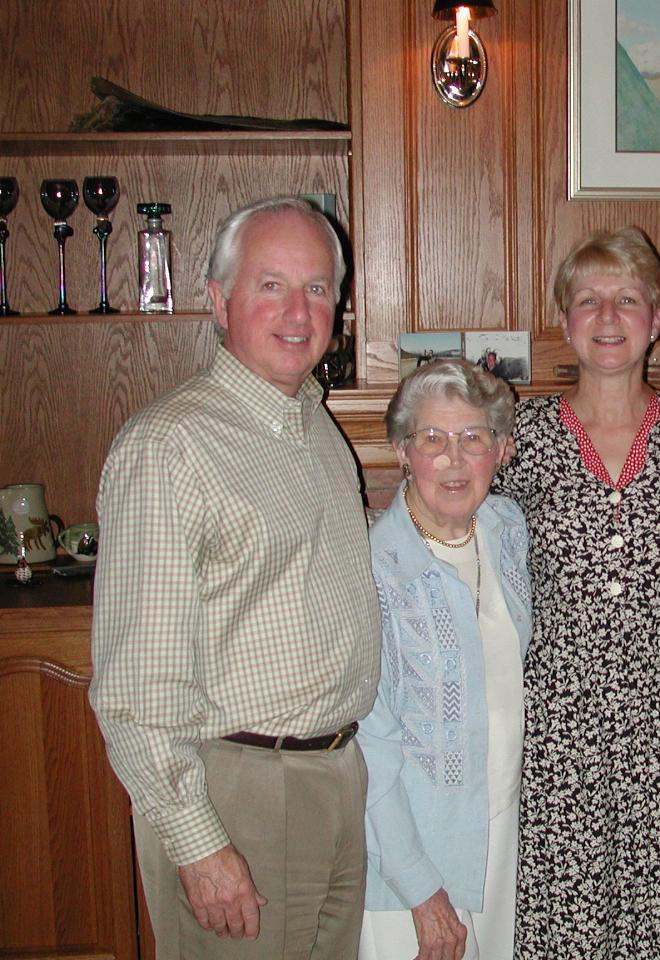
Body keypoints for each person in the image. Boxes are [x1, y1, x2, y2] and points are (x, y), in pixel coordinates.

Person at [90, 196, 381, 957]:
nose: (298, 311)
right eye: (270, 285)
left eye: (318, 288)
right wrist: (197, 842)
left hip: (333, 775)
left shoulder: (314, 424)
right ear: (218, 300)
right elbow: (133, 687)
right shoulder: (169, 446)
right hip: (238, 787)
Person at [493, 226, 660, 958]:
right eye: (588, 300)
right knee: (567, 915)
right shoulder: (521, 437)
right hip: (557, 718)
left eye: (627, 299)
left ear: (656, 319)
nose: (607, 316)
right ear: (565, 320)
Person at [358, 358, 532, 960]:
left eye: (472, 438)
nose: (453, 460)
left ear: (501, 449)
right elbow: (369, 749)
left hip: (504, 839)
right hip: (413, 861)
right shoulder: (375, 571)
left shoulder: (510, 532)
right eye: (432, 439)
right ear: (404, 452)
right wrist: (422, 892)